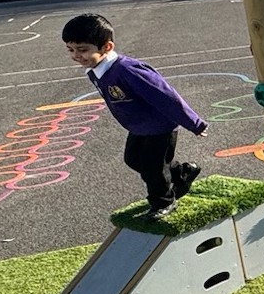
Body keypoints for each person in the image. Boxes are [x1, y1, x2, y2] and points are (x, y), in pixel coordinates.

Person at [62, 13, 207, 219]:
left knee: (152, 169)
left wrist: (194, 123)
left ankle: (163, 201)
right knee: (133, 159)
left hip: (159, 126)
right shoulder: (96, 70)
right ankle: (182, 173)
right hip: (138, 126)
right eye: (71, 49)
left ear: (107, 47)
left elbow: (165, 95)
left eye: (83, 50)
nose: (76, 55)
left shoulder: (128, 70)